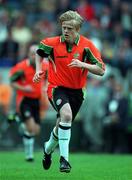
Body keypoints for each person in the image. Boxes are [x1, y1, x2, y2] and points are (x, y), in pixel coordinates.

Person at [33, 10, 105, 173]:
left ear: (77, 29)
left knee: (62, 124)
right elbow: (39, 53)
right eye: (64, 27)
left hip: (78, 92)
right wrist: (38, 70)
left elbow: (101, 70)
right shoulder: (50, 43)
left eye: (70, 29)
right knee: (66, 116)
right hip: (56, 88)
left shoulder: (87, 46)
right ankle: (64, 160)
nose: (66, 31)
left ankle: (48, 148)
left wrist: (83, 65)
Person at [9, 44, 48, 162]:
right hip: (24, 100)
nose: (35, 56)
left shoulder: (45, 66)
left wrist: (45, 87)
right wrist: (24, 88)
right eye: (32, 53)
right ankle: (29, 155)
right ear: (28, 54)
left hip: (38, 100)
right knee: (31, 127)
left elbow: (48, 79)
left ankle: (22, 124)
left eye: (37, 54)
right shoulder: (21, 67)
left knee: (35, 130)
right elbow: (12, 82)